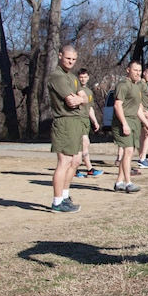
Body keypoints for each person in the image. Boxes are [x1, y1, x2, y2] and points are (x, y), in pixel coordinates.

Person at [47, 46, 87, 212]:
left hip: (76, 122)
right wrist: (79, 99)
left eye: (73, 59)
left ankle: (65, 196)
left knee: (76, 161)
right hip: (64, 122)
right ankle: (57, 202)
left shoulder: (72, 77)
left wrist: (80, 99)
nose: (70, 62)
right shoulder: (57, 77)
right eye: (68, 58)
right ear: (60, 55)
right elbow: (71, 101)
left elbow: (84, 97)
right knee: (64, 162)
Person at [112, 61, 148, 193]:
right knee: (128, 152)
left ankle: (119, 182)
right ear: (128, 70)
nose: (138, 73)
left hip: (134, 122)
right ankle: (128, 183)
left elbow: (138, 108)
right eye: (135, 70)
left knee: (129, 153)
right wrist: (124, 123)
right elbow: (117, 105)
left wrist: (146, 123)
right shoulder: (123, 85)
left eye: (140, 71)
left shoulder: (136, 87)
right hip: (124, 121)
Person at [74, 68, 103, 178]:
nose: (83, 79)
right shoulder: (76, 89)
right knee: (84, 143)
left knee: (85, 144)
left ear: (88, 77)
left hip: (86, 120)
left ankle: (79, 169)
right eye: (81, 77)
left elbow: (90, 108)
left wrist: (95, 121)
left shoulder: (89, 92)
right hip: (78, 119)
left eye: (85, 77)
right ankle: (88, 169)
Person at [135, 67, 148, 169]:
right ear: (144, 73)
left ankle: (141, 158)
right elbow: (137, 99)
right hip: (144, 113)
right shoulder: (140, 84)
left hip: (144, 111)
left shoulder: (145, 85)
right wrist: (144, 111)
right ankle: (142, 158)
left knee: (143, 136)